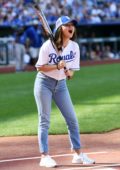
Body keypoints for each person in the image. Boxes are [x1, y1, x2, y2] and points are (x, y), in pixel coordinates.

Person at [34, 16, 95, 168]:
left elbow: (72, 71)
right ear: (59, 29)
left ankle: (78, 154)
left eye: (73, 25)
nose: (71, 28)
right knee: (44, 120)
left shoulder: (74, 47)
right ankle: (44, 156)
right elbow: (39, 67)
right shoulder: (47, 46)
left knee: (72, 119)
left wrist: (68, 72)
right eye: (67, 25)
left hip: (61, 85)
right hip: (44, 83)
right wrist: (57, 66)